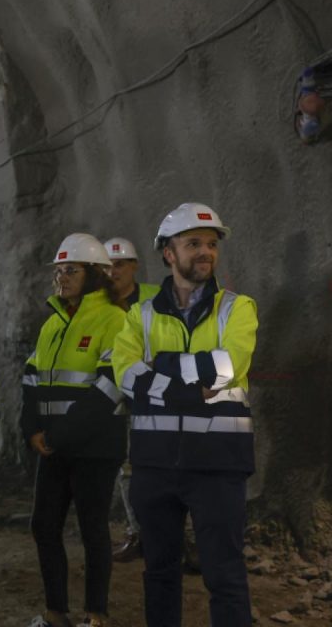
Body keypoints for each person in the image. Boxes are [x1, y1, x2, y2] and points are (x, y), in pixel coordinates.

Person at [113, 203, 258, 627]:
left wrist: (159, 369)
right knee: (159, 574)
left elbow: (228, 366)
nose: (206, 251)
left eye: (211, 244)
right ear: (168, 253)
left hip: (218, 465)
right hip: (155, 465)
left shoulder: (237, 308)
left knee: (225, 576)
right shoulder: (139, 316)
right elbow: (124, 373)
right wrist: (192, 388)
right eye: (193, 243)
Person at [22, 234, 128, 627]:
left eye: (71, 270)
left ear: (96, 274)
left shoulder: (114, 319)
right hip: (54, 446)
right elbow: (31, 379)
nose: (62, 278)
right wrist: (32, 428)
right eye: (59, 271)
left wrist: (55, 435)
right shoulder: (52, 324)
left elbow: (109, 388)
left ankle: (96, 615)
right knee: (43, 526)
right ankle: (56, 613)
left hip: (95, 448)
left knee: (93, 530)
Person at [101, 236, 159, 562]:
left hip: (157, 392)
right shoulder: (96, 306)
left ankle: (177, 535)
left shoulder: (156, 297)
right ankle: (138, 533)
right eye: (107, 266)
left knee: (167, 465)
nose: (114, 272)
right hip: (117, 395)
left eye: (120, 264)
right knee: (126, 467)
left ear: (134, 266)